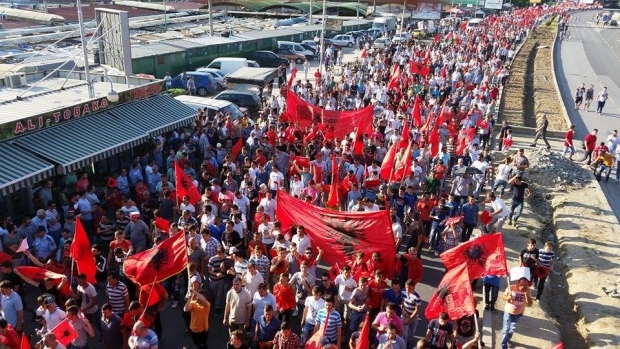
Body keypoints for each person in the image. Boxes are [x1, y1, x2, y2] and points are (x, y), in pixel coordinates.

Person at [500, 277, 533, 349]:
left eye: (525, 286)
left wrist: (527, 296)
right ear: (518, 282)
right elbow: (503, 297)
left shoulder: (528, 290)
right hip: (508, 313)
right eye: (521, 285)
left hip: (519, 314)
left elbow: (529, 304)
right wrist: (508, 297)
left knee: (512, 329)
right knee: (505, 330)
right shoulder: (511, 287)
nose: (522, 287)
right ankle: (504, 346)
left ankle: (507, 339)